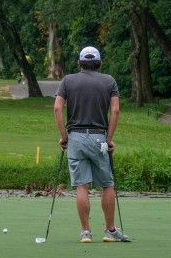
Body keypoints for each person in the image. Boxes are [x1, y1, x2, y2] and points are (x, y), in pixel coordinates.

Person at [54, 46, 132, 244]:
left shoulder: (68, 80)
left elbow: (57, 108)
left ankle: (86, 233)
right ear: (100, 63)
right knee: (107, 184)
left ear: (79, 63)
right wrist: (109, 138)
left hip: (76, 138)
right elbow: (115, 111)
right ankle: (110, 231)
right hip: (99, 138)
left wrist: (64, 136)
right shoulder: (109, 81)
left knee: (82, 185)